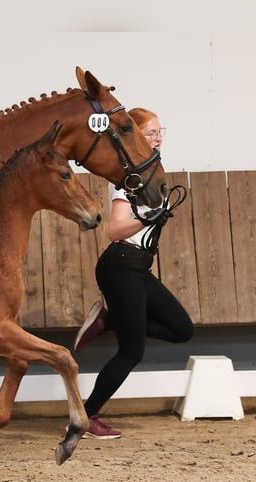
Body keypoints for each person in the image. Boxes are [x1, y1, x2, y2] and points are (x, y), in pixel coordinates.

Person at [73, 107, 194, 439]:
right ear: (137, 138)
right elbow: (115, 230)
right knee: (132, 351)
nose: (157, 138)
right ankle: (86, 416)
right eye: (150, 133)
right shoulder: (128, 181)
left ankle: (108, 321)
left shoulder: (153, 175)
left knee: (182, 329)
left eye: (159, 132)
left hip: (139, 267)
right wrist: (150, 217)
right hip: (120, 265)